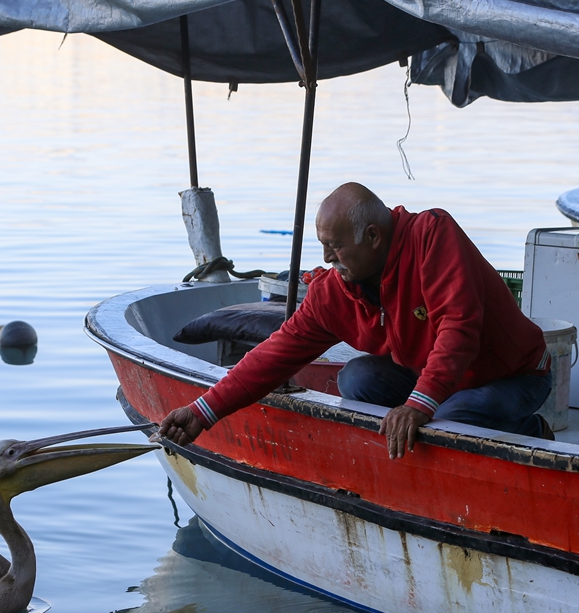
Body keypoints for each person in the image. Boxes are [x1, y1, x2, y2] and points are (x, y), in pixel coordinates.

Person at [158, 182, 553, 459]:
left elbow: (459, 329)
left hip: (513, 377)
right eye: (323, 246)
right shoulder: (333, 291)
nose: (328, 258)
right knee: (355, 378)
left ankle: (531, 431)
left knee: (449, 421)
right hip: (438, 379)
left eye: (336, 246)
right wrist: (201, 412)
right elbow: (275, 353)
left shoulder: (433, 235)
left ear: (374, 236)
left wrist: (418, 405)